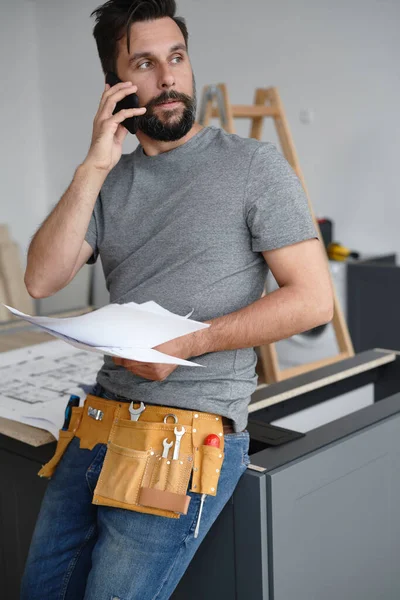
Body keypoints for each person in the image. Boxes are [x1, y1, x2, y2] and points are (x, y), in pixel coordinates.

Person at [21, 1, 334, 598]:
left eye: (177, 58)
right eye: (144, 62)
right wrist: (93, 163)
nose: (167, 78)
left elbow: (314, 300)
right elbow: (40, 279)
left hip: (187, 433)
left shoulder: (253, 166)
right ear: (116, 86)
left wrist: (185, 345)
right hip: (98, 421)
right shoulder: (110, 180)